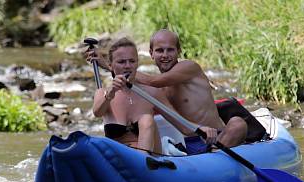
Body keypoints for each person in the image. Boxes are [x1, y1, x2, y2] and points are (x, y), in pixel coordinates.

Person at [87, 29, 249, 152]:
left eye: (170, 50)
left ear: (178, 51)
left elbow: (153, 81)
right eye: (159, 50)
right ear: (151, 54)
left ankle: (216, 156)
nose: (165, 55)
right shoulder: (151, 89)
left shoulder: (187, 67)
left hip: (217, 136)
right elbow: (130, 80)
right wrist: (113, 68)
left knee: (238, 123)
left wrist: (110, 66)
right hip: (190, 141)